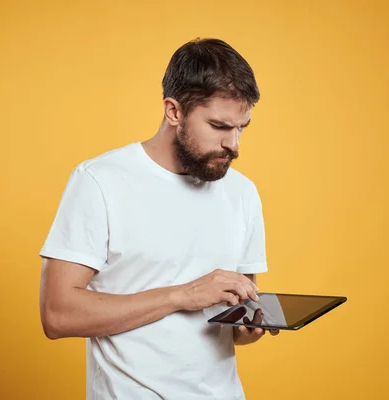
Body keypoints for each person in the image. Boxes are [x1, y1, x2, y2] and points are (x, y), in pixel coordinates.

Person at [39, 37, 278, 400]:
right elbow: (57, 315)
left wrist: (249, 327)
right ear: (174, 111)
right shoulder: (99, 181)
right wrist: (182, 295)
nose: (234, 144)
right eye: (219, 126)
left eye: (241, 127)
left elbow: (238, 318)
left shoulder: (242, 193)